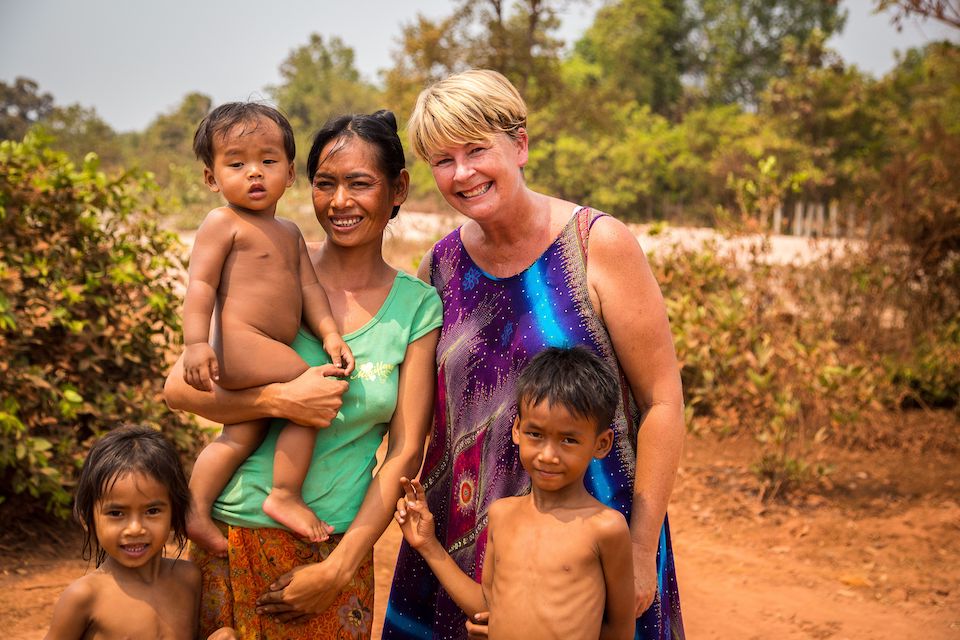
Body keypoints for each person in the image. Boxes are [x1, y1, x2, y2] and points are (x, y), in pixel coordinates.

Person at [383, 69, 685, 639]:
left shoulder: (598, 245)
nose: (463, 173)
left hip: (592, 542)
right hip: (466, 543)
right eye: (443, 160)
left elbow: (662, 400)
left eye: (477, 150)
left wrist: (641, 548)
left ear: (519, 145)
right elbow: (419, 424)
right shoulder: (439, 268)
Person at [164, 110, 441, 639]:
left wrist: (339, 567)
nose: (340, 202)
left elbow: (405, 450)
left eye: (360, 184)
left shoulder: (416, 306)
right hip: (234, 529)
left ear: (398, 188)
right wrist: (278, 402)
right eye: (326, 184)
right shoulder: (265, 266)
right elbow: (177, 389)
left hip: (332, 543)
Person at [183, 102, 356, 554]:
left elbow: (309, 290)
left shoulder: (289, 231)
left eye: (267, 160)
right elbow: (200, 285)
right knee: (313, 391)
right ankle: (283, 493)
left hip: (262, 348)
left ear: (291, 172)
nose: (254, 173)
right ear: (211, 177)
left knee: (242, 434)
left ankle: (196, 509)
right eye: (236, 163)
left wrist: (330, 333)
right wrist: (196, 345)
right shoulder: (223, 223)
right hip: (243, 345)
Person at [395, 347, 636, 639]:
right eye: (536, 434)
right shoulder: (502, 514)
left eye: (569, 440)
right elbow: (487, 606)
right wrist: (428, 545)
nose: (548, 455)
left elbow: (620, 630)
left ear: (601, 443)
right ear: (517, 430)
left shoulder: (605, 528)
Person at [44, 424, 236, 640]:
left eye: (152, 511)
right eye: (116, 513)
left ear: (175, 513)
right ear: (87, 518)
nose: (135, 528)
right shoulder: (84, 597)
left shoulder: (188, 578)